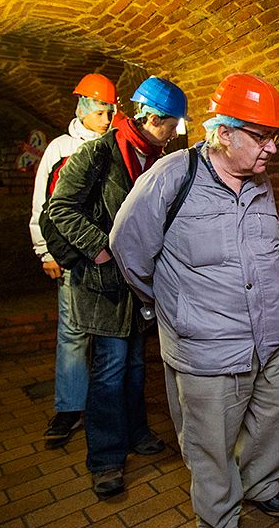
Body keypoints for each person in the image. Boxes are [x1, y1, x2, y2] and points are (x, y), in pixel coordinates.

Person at [109, 73, 279, 528]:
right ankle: (218, 519)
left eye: (274, 137)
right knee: (209, 439)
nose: (272, 149)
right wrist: (169, 304)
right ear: (222, 133)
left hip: (272, 334)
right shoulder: (173, 177)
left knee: (276, 420)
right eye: (261, 137)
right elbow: (127, 248)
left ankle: (261, 484)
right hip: (207, 343)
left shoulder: (261, 185)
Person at [47, 75, 188, 499]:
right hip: (106, 283)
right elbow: (60, 208)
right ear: (152, 118)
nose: (176, 133)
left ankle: (136, 433)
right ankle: (106, 459)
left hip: (138, 284)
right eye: (173, 124)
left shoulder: (155, 158)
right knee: (109, 370)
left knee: (134, 365)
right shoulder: (98, 154)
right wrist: (100, 249)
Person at [29, 73, 116, 448]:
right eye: (101, 110)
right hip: (72, 257)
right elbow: (43, 204)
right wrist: (44, 250)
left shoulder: (116, 147)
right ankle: (69, 408)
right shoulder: (60, 149)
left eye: (112, 111)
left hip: (110, 257)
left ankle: (105, 409)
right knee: (72, 333)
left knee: (110, 338)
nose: (107, 118)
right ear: (83, 108)